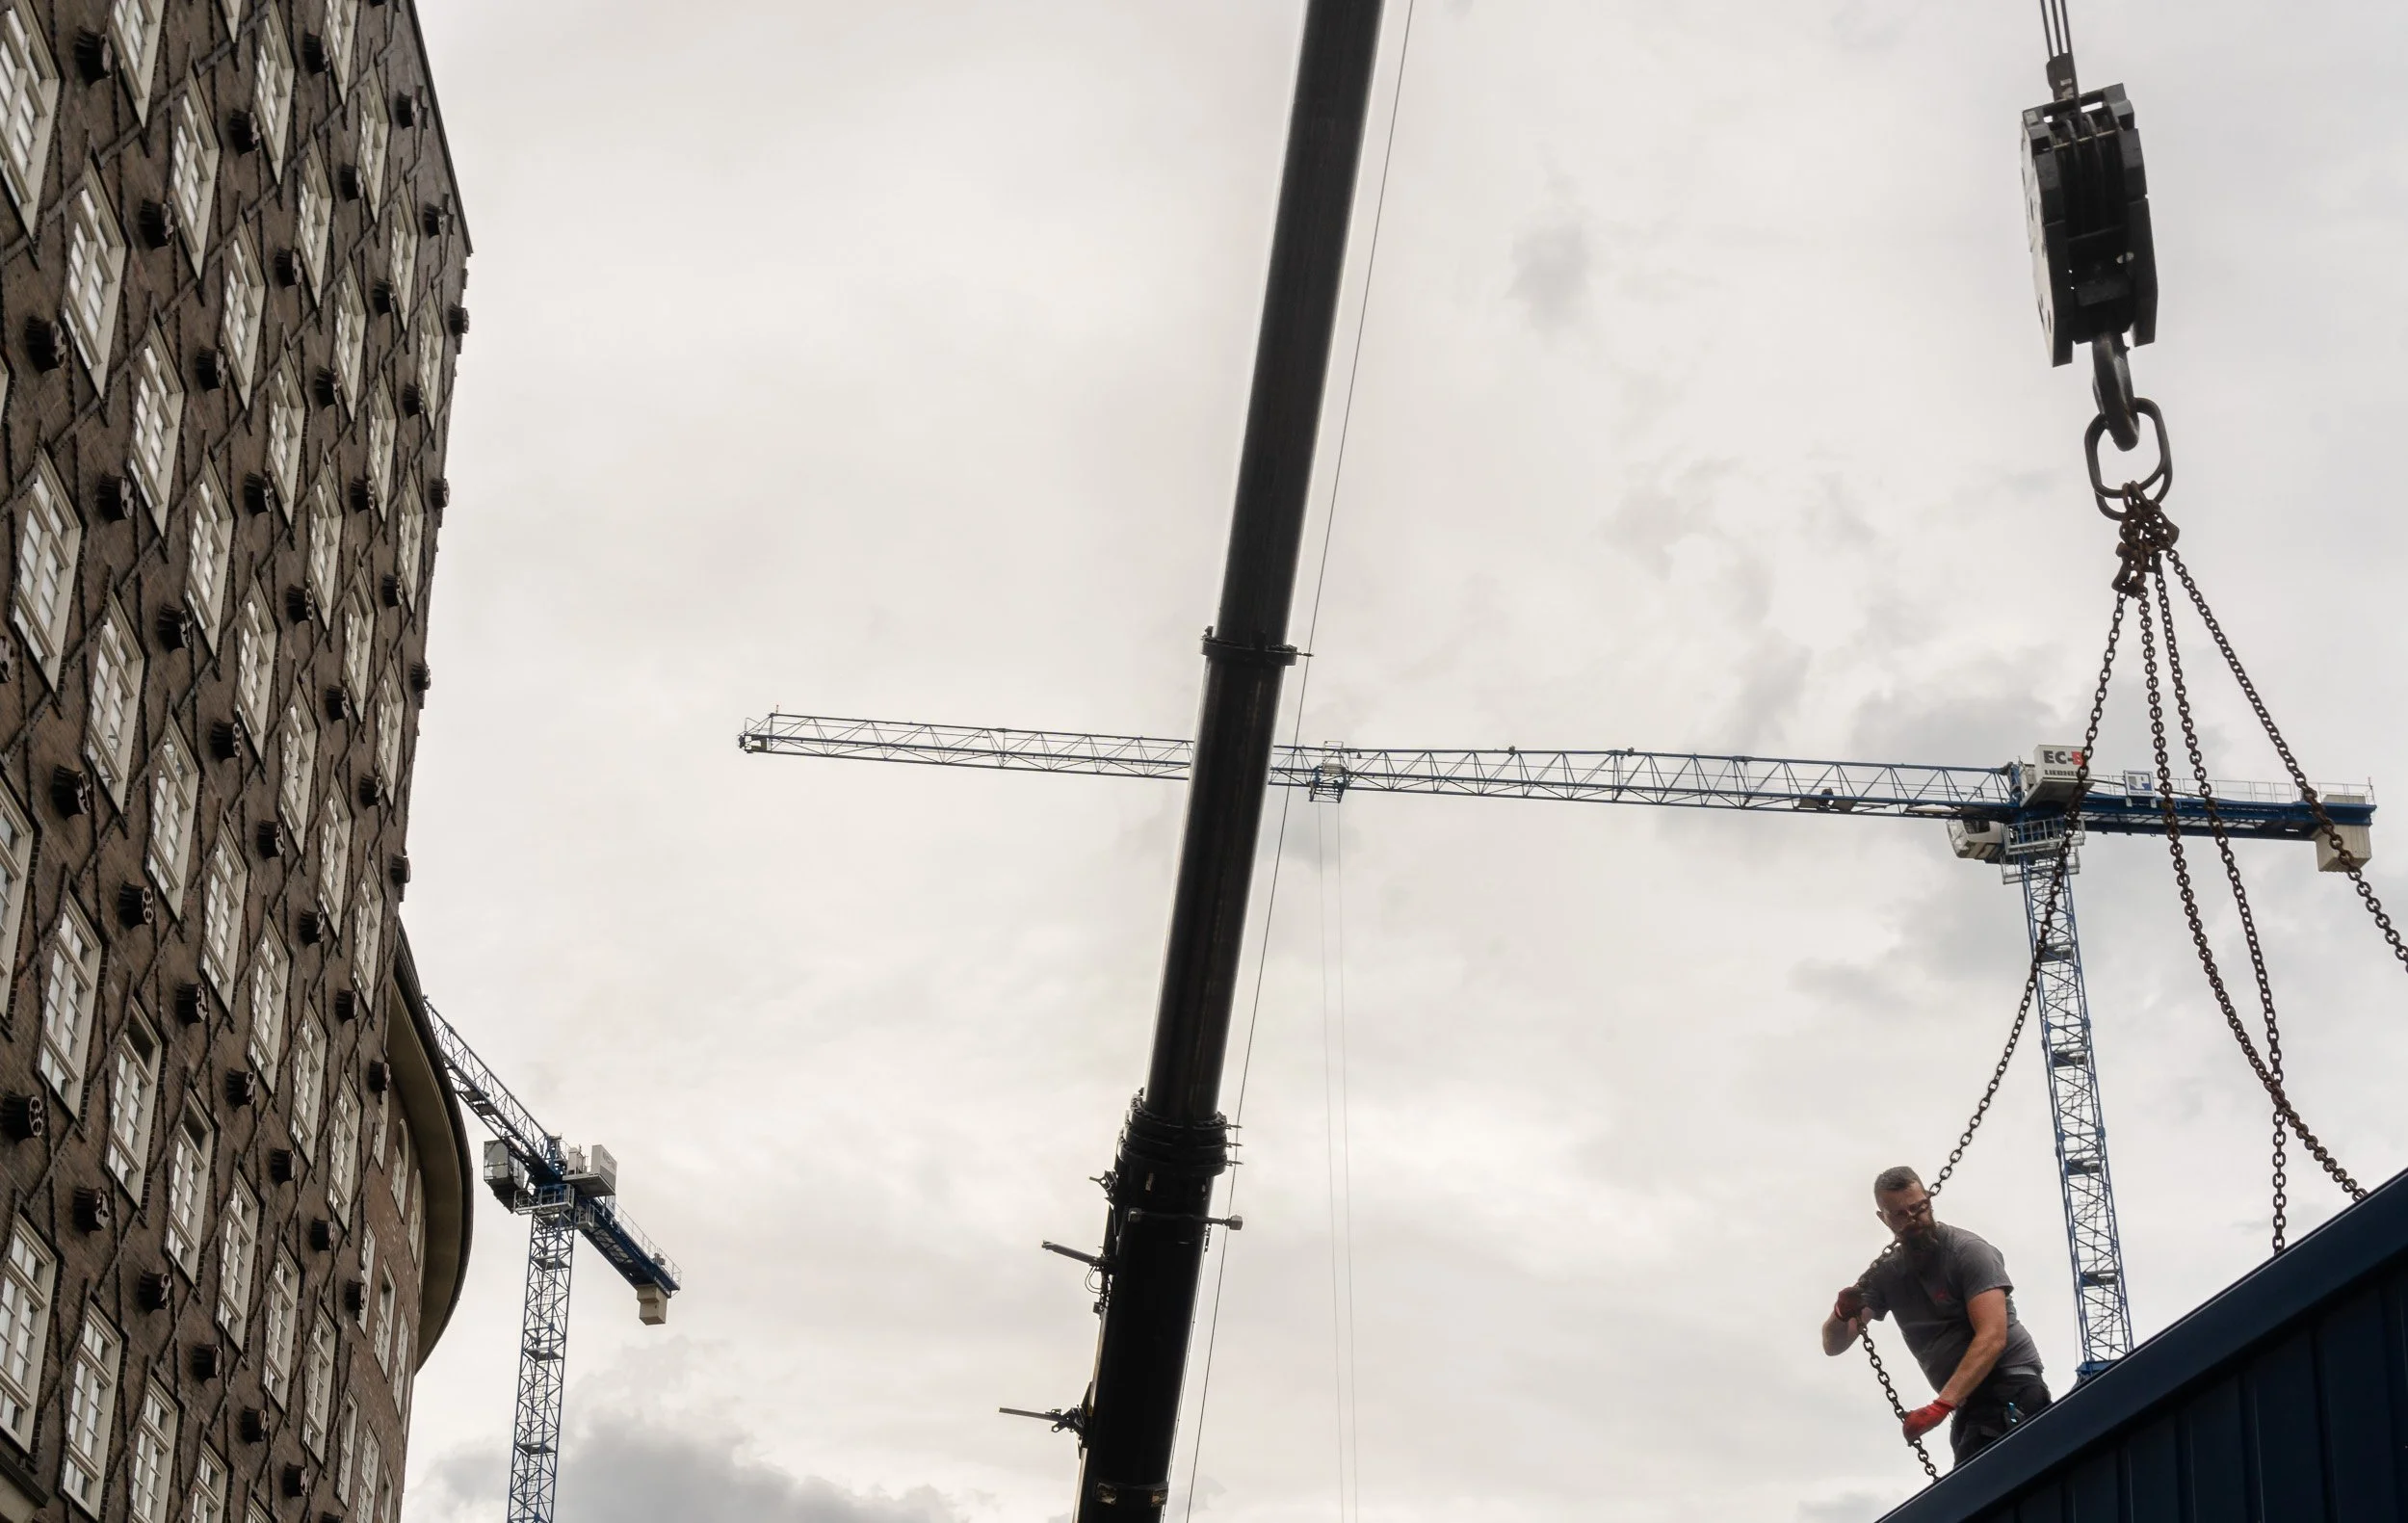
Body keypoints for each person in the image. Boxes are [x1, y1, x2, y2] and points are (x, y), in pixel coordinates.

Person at [1820, 1166, 2053, 1468]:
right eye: (1900, 1214)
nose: (1913, 1220)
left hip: (2012, 1389)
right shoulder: (1887, 1274)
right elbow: (1834, 1345)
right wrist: (1841, 1313)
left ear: (1929, 1199)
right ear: (1884, 1218)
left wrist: (1941, 1404)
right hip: (1967, 1406)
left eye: (1918, 1208)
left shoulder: (1967, 1251)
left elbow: (1993, 1337)